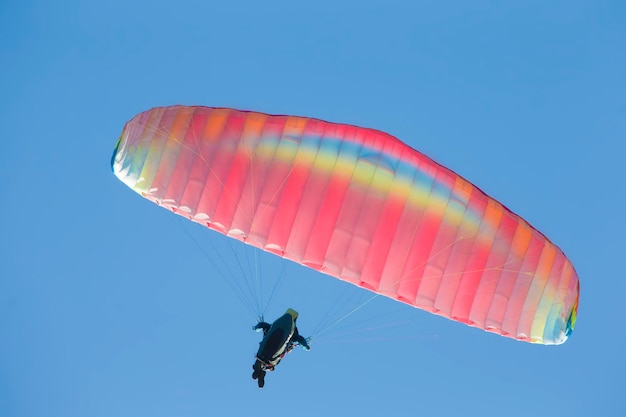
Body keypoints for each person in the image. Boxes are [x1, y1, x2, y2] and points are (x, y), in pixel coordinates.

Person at [251, 308, 310, 388]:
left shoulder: (272, 326)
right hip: (271, 353)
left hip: (267, 346)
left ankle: (260, 368)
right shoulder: (293, 336)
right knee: (271, 358)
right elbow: (301, 340)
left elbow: (262, 325)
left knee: (267, 352)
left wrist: (256, 327)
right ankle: (261, 368)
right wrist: (306, 346)